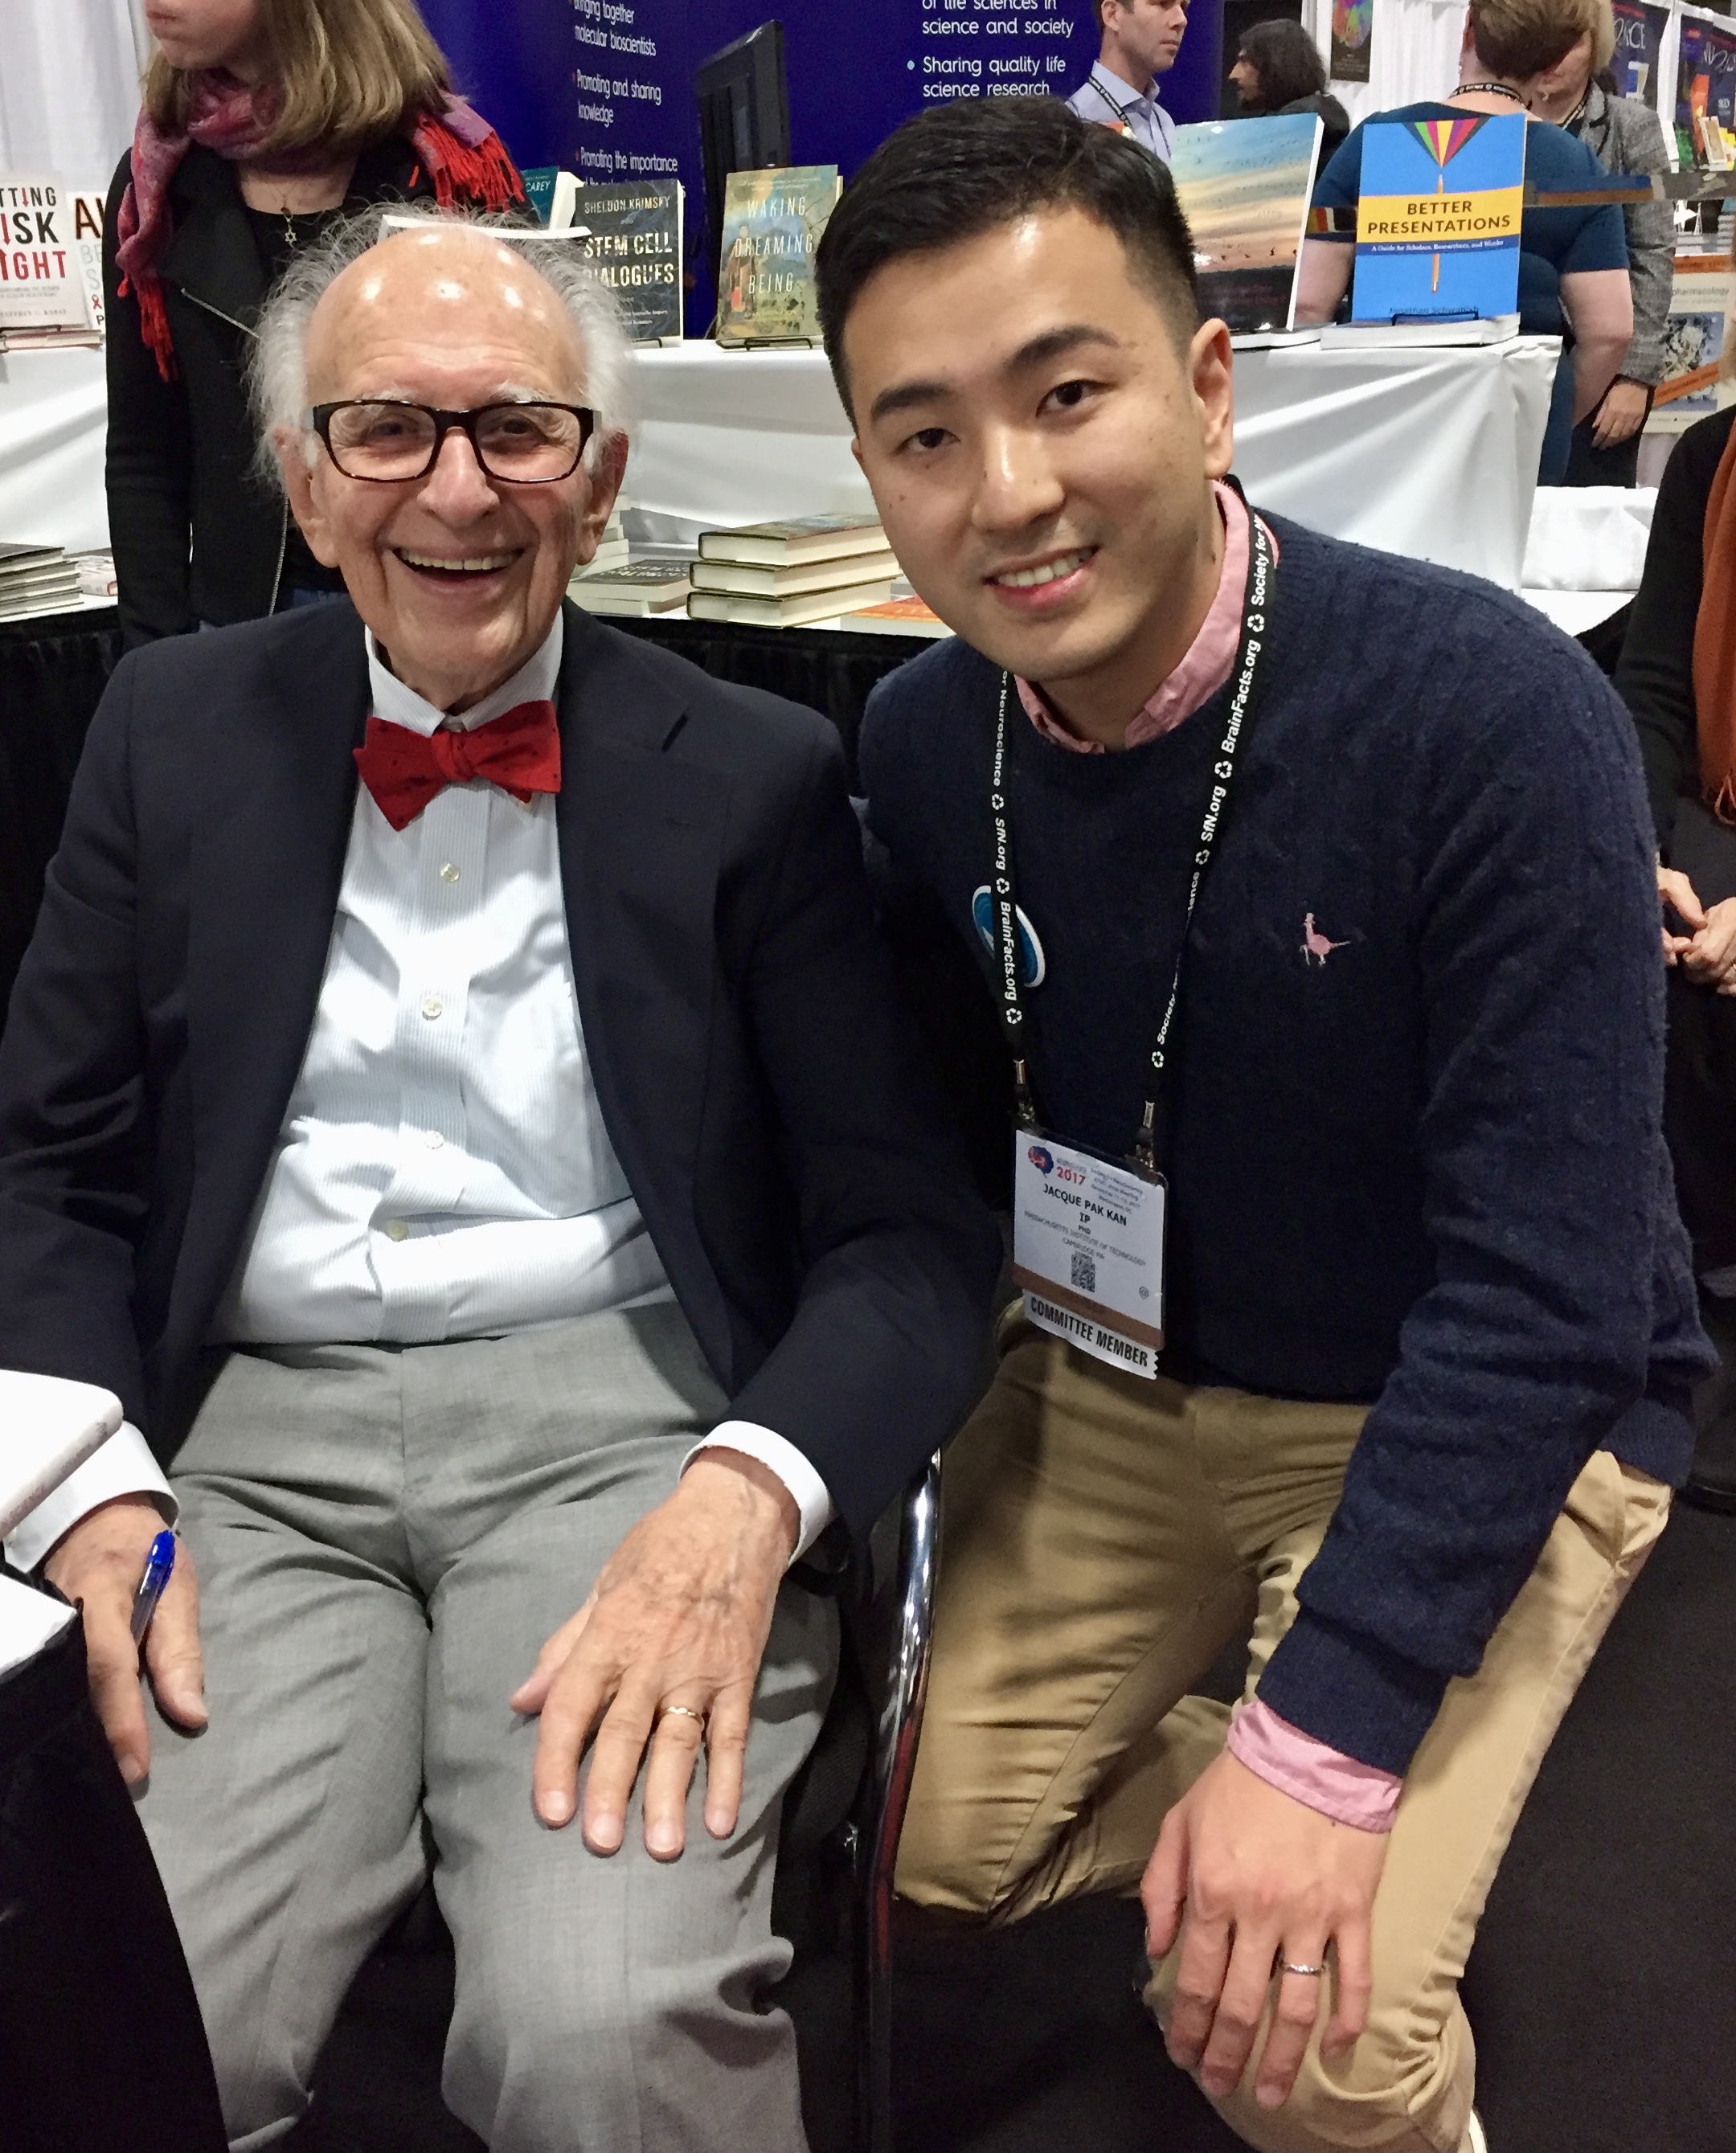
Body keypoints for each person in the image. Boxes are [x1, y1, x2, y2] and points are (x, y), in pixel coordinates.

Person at [0, 213, 998, 2151]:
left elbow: (907, 1232)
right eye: (385, 434)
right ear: (300, 479)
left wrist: (751, 1488)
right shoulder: (166, 734)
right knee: (119, 2005)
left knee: (601, 2029)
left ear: (598, 481)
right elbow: (33, 1179)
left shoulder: (752, 774)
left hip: (626, 1430)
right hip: (234, 1452)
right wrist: (84, 1492)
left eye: (517, 431)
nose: (456, 490)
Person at [816, 96, 1708, 2153]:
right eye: (922, 434)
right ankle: (1271, 1770)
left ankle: (1325, 1768)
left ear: (1208, 385)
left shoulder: (1481, 717)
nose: (1008, 494)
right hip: (1122, 1374)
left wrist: (1321, 1738)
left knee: (1299, 2046)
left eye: (1065, 394)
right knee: (902, 1840)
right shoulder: (925, 739)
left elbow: (1550, 1289)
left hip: (1457, 1385)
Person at [107, 0, 524, 646]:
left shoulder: (450, 174)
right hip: (237, 627)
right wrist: (153, 665)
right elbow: (144, 453)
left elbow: (525, 421)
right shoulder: (155, 184)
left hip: (429, 608)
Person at [1296, 0, 1632, 486]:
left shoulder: (1375, 139)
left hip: (1382, 419)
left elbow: (1308, 304)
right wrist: (1548, 414)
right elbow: (1611, 331)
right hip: (1514, 426)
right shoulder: (1576, 166)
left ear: (1468, 29)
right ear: (1554, 61)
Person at [1613, 399, 1736, 1510]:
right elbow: (1652, 684)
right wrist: (1636, 849)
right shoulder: (1711, 457)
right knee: (1650, 951)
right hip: (1715, 809)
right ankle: (1672, 1305)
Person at [1529, 0, 1676, 485]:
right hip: (1518, 359)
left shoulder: (1629, 127)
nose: (1551, 58)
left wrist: (1636, 376)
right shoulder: (1496, 123)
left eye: (1569, 43)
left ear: (1595, 49)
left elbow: (1652, 250)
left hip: (1602, 362)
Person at [1068, 0, 1185, 162]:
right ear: (1113, 15)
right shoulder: (1072, 128)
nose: (1181, 20)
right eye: (1162, 3)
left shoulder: (1165, 124)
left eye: (1183, 6)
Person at [1230, 19, 1350, 163]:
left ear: (1274, 67)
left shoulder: (1284, 138)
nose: (1233, 75)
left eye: (1244, 62)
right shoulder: (1318, 129)